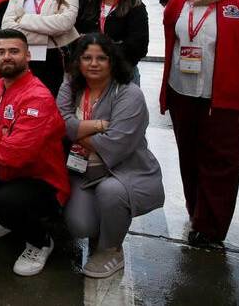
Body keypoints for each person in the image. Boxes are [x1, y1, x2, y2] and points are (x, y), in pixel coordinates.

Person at [159, 0, 239, 249]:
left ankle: (211, 228)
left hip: (222, 100)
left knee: (221, 163)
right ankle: (197, 213)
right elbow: (171, 40)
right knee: (189, 158)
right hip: (182, 93)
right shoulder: (179, 1)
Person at [0, 29, 69, 277]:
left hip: (41, 180)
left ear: (27, 56)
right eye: (1, 52)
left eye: (14, 51)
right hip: (4, 171)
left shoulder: (38, 96)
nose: (7, 57)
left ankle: (40, 242)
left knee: (5, 201)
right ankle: (7, 219)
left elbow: (16, 155)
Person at [57, 33, 164, 278]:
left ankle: (112, 249)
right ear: (78, 61)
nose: (93, 64)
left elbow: (114, 145)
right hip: (82, 170)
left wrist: (75, 131)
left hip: (123, 170)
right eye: (87, 58)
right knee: (80, 225)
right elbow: (59, 123)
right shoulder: (70, 85)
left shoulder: (129, 94)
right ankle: (105, 224)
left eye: (101, 58)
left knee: (111, 192)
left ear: (112, 61)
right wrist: (97, 126)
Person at [1, 0, 79, 96]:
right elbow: (7, 28)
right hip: (22, 60)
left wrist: (23, 20)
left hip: (55, 61)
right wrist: (49, 31)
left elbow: (64, 23)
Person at [77, 0, 149, 82]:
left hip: (122, 75)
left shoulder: (135, 5)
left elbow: (139, 48)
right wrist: (115, 45)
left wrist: (98, 48)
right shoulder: (87, 1)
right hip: (88, 76)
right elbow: (76, 36)